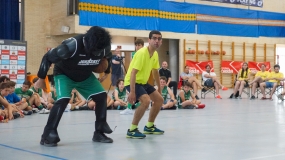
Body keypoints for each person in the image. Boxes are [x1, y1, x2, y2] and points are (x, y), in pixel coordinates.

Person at [34, 26, 114, 146]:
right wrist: (41, 78)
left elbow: (108, 57)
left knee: (101, 96)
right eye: (95, 50)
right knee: (63, 100)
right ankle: (48, 133)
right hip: (64, 74)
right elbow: (47, 57)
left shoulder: (104, 47)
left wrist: (106, 72)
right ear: (87, 43)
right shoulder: (71, 46)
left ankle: (99, 131)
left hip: (85, 75)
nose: (97, 53)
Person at [124, 30, 164, 139]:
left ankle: (149, 126)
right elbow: (133, 73)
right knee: (146, 100)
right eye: (154, 38)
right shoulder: (141, 53)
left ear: (161, 42)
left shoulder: (155, 54)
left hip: (143, 82)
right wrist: (132, 92)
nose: (157, 41)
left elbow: (155, 72)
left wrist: (159, 88)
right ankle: (132, 129)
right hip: (132, 81)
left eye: (159, 39)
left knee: (159, 99)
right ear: (149, 40)